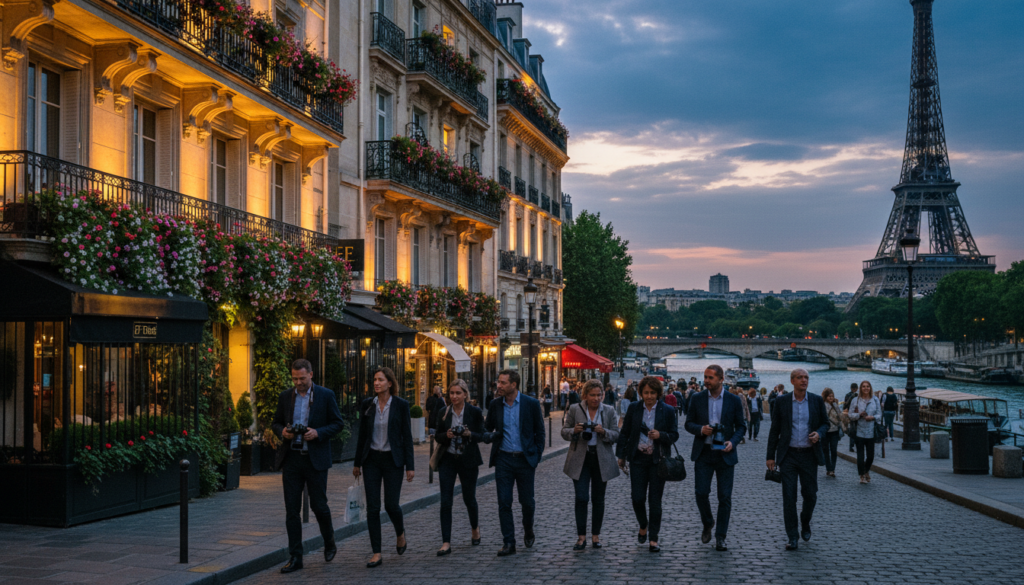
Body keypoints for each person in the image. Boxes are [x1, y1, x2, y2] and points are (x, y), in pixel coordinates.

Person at [271, 359, 345, 573]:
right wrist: (282, 432)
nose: (298, 382)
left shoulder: (325, 395)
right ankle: (296, 557)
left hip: (315, 459)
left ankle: (329, 541)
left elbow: (338, 423)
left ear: (311, 375)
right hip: (292, 458)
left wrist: (318, 433)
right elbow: (276, 422)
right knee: (291, 511)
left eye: (302, 378)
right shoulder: (286, 396)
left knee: (319, 506)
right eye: (294, 379)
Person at [353, 367, 415, 568]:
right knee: (373, 507)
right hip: (371, 460)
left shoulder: (401, 405)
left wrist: (410, 466)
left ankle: (400, 533)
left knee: (391, 505)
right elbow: (362, 436)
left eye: (380, 380)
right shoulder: (367, 405)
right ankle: (376, 552)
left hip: (392, 461)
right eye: (374, 380)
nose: (376, 383)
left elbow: (407, 436)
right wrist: (356, 463)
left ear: (390, 383)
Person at [765, 368, 829, 551]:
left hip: (809, 455)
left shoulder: (816, 400)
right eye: (800, 378)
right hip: (789, 456)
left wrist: (820, 433)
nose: (804, 380)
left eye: (806, 377)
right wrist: (770, 456)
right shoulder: (782, 401)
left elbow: (825, 423)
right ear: (792, 381)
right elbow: (775, 430)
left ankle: (805, 520)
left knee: (810, 495)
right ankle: (792, 536)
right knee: (789, 497)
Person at [685, 365, 746, 552]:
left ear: (721, 379)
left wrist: (733, 442)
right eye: (705, 377)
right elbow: (688, 423)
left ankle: (721, 537)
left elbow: (741, 427)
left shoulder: (734, 400)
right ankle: (708, 521)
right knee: (701, 492)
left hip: (725, 454)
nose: (706, 381)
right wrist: (701, 429)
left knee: (724, 497)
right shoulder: (697, 398)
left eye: (710, 378)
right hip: (704, 452)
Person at [486, 370, 545, 557]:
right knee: (504, 502)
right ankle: (509, 542)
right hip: (503, 459)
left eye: (503, 382)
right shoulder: (495, 404)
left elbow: (540, 433)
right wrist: (487, 436)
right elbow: (487, 428)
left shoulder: (531, 404)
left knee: (527, 502)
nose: (499, 385)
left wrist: (535, 457)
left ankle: (528, 529)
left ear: (514, 384)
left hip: (524, 460)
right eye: (498, 382)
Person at [616, 376, 679, 553]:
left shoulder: (667, 410)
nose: (649, 396)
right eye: (646, 393)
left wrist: (661, 435)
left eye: (652, 393)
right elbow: (625, 433)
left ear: (658, 393)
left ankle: (653, 538)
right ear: (641, 393)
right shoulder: (634, 408)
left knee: (655, 501)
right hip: (637, 459)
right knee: (637, 498)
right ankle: (643, 524)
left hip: (658, 460)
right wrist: (621, 455)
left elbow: (674, 435)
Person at [561, 379, 620, 550]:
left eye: (599, 395)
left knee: (598, 499)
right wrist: (575, 431)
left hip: (601, 459)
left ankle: (595, 536)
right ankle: (581, 538)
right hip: (580, 458)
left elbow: (616, 434)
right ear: (585, 395)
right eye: (592, 395)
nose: (596, 398)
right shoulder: (575, 409)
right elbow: (564, 431)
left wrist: (603, 432)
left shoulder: (608, 411)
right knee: (581, 498)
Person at [434, 379, 484, 556]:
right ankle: (446, 541)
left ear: (465, 394)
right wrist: (446, 435)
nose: (454, 396)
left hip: (468, 460)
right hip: (448, 459)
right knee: (446, 501)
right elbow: (437, 436)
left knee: (469, 498)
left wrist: (469, 433)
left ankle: (474, 528)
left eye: (458, 393)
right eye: (451, 393)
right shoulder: (443, 412)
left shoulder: (474, 412)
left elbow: (482, 435)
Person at [848, 380, 881, 484]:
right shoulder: (855, 400)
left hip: (871, 431)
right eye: (863, 386)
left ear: (870, 388)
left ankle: (866, 470)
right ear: (860, 388)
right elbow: (850, 415)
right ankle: (862, 475)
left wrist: (872, 417)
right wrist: (859, 415)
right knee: (860, 456)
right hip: (859, 431)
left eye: (868, 386)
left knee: (870, 456)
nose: (866, 388)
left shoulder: (875, 400)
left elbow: (879, 415)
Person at [821, 388, 843, 478]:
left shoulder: (835, 405)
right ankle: (829, 469)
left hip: (834, 431)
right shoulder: (822, 405)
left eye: (832, 396)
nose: (831, 398)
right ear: (825, 397)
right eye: (829, 396)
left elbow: (840, 416)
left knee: (833, 450)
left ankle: (832, 469)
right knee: (826, 451)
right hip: (825, 432)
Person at [842, 382, 859, 453]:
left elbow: (845, 406)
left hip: (850, 414)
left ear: (851, 388)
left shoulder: (847, 395)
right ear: (857, 388)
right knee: (858, 430)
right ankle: (858, 445)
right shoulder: (858, 395)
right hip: (857, 414)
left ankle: (851, 446)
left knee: (852, 430)